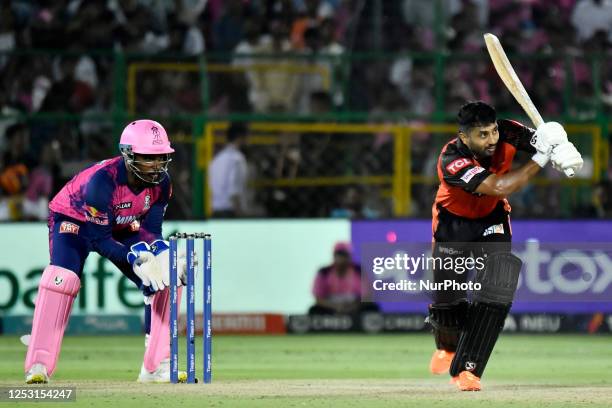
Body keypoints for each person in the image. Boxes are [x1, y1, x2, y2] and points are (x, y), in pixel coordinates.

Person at [427, 101, 583, 391]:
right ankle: (447, 349)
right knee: (447, 305)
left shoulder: (509, 132)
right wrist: (541, 158)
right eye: (482, 135)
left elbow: (543, 140)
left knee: (497, 290)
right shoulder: (451, 159)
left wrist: (559, 144)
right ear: (465, 137)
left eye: (493, 131)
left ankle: (468, 370)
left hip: (492, 219)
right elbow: (500, 186)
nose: (491, 140)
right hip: (453, 226)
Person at [24, 120, 188, 384]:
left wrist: (161, 251)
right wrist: (134, 258)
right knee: (62, 280)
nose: (156, 165)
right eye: (148, 158)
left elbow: (151, 231)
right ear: (128, 154)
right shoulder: (103, 182)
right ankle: (39, 364)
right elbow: (99, 239)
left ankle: (156, 366)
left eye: (161, 157)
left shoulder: (162, 183)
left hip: (122, 222)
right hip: (74, 219)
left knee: (167, 276)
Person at [310, 242, 379, 315]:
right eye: (339, 255)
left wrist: (353, 306)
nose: (342, 259)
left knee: (372, 308)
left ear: (350, 256)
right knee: (315, 310)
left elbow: (367, 296)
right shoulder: (324, 272)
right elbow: (318, 298)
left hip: (354, 306)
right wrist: (335, 306)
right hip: (330, 306)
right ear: (334, 256)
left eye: (344, 255)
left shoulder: (359, 271)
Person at [208, 122, 248, 217]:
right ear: (240, 137)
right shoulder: (237, 159)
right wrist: (240, 214)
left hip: (215, 210)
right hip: (230, 212)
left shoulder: (216, 159)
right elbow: (234, 191)